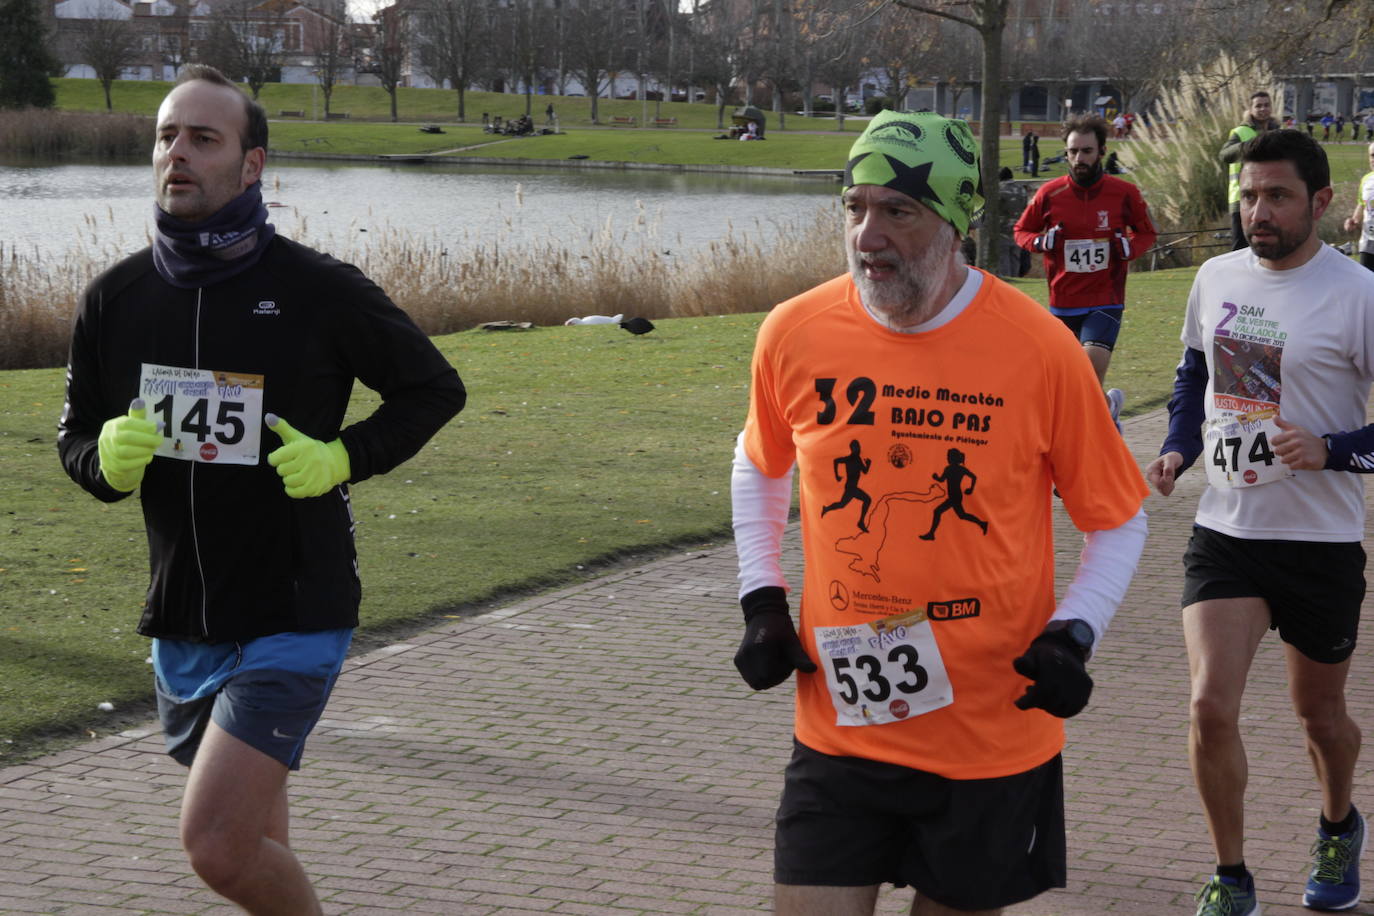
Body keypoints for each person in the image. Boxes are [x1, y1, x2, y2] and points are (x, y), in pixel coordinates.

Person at [55, 66, 466, 915]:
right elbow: (75, 435)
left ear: (252, 165)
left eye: (204, 138)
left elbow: (433, 389)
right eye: (168, 135)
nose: (178, 153)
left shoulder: (319, 289)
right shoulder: (115, 298)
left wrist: (342, 458)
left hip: (295, 608)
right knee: (260, 844)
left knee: (217, 845)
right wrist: (107, 460)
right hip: (185, 613)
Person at [730, 109, 1149, 916]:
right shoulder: (794, 332)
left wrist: (1076, 630)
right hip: (841, 726)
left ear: (956, 222)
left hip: (989, 732)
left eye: (898, 210)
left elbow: (1117, 514)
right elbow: (758, 463)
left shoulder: (1042, 351)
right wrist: (761, 601)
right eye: (855, 207)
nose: (867, 235)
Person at [1145, 129, 1374, 916]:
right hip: (1228, 532)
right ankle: (1232, 875)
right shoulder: (1215, 278)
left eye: (1275, 196)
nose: (1257, 212)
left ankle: (1340, 823)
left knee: (1321, 717)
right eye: (1247, 196)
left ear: (1320, 202)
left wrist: (1335, 449)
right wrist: (1178, 448)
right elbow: (1195, 377)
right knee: (1210, 706)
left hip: (1320, 541)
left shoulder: (1358, 294)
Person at [1013, 113, 1157, 423]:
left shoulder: (1124, 193)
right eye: (1073, 151)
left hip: (1105, 299)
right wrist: (1041, 243)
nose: (1079, 158)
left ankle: (1096, 445)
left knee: (1089, 369)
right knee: (1071, 386)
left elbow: (1147, 233)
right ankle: (1108, 408)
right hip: (1063, 302)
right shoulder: (1049, 194)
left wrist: (1130, 247)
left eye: (1086, 151)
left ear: (1102, 151)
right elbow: (1021, 231)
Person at [1220, 91, 1281, 250]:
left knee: (1267, 246)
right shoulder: (1241, 132)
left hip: (1273, 197)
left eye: (1266, 105)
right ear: (1250, 109)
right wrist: (1249, 146)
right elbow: (1224, 155)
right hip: (1243, 198)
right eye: (1258, 106)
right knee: (1240, 248)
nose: (1263, 109)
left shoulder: (1279, 133)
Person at [1345, 141, 1374, 272]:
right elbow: (1361, 204)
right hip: (1368, 244)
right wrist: (1354, 221)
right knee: (1368, 287)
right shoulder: (1366, 180)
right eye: (1372, 155)